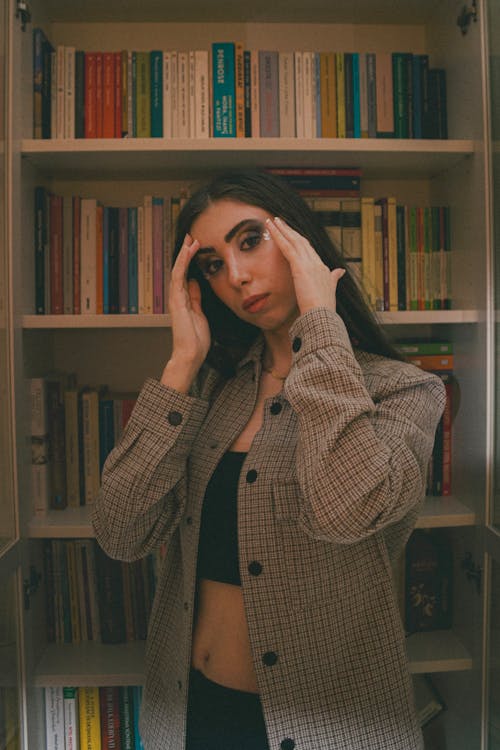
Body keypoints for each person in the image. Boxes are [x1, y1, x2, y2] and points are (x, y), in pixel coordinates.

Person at [92, 170, 446, 750]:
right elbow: (120, 532)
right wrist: (182, 362)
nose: (235, 276)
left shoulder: (402, 392)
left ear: (298, 242)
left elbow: (347, 510)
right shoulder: (211, 390)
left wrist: (319, 324)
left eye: (250, 240)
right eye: (211, 263)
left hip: (326, 726)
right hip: (188, 712)